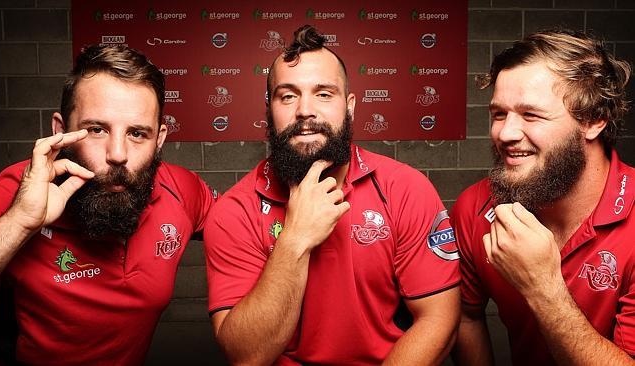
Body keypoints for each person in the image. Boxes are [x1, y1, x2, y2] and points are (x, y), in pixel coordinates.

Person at [203, 24, 461, 365]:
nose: (305, 110)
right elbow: (246, 355)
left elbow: (439, 319)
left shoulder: (406, 189)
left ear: (349, 105)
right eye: (288, 95)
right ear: (269, 110)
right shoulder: (235, 210)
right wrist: (295, 239)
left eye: (323, 93)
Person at [0, 44, 217, 365]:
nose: (118, 154)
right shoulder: (16, 190)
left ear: (159, 139)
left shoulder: (182, 190)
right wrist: (20, 220)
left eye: (137, 133)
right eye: (96, 130)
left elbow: (244, 228)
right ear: (60, 130)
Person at [450, 29, 634, 365]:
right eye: (499, 114)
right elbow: (466, 315)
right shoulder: (475, 208)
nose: (505, 134)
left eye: (531, 115)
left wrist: (542, 287)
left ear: (594, 120)